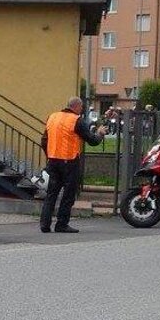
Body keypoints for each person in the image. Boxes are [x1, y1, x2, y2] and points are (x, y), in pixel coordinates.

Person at [39, 97, 108, 234]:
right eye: (81, 107)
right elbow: (92, 141)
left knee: (51, 194)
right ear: (76, 106)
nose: (81, 110)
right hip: (69, 161)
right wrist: (100, 134)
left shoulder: (52, 117)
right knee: (68, 195)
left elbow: (44, 141)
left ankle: (45, 224)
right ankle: (61, 224)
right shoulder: (76, 120)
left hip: (53, 160)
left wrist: (50, 155)